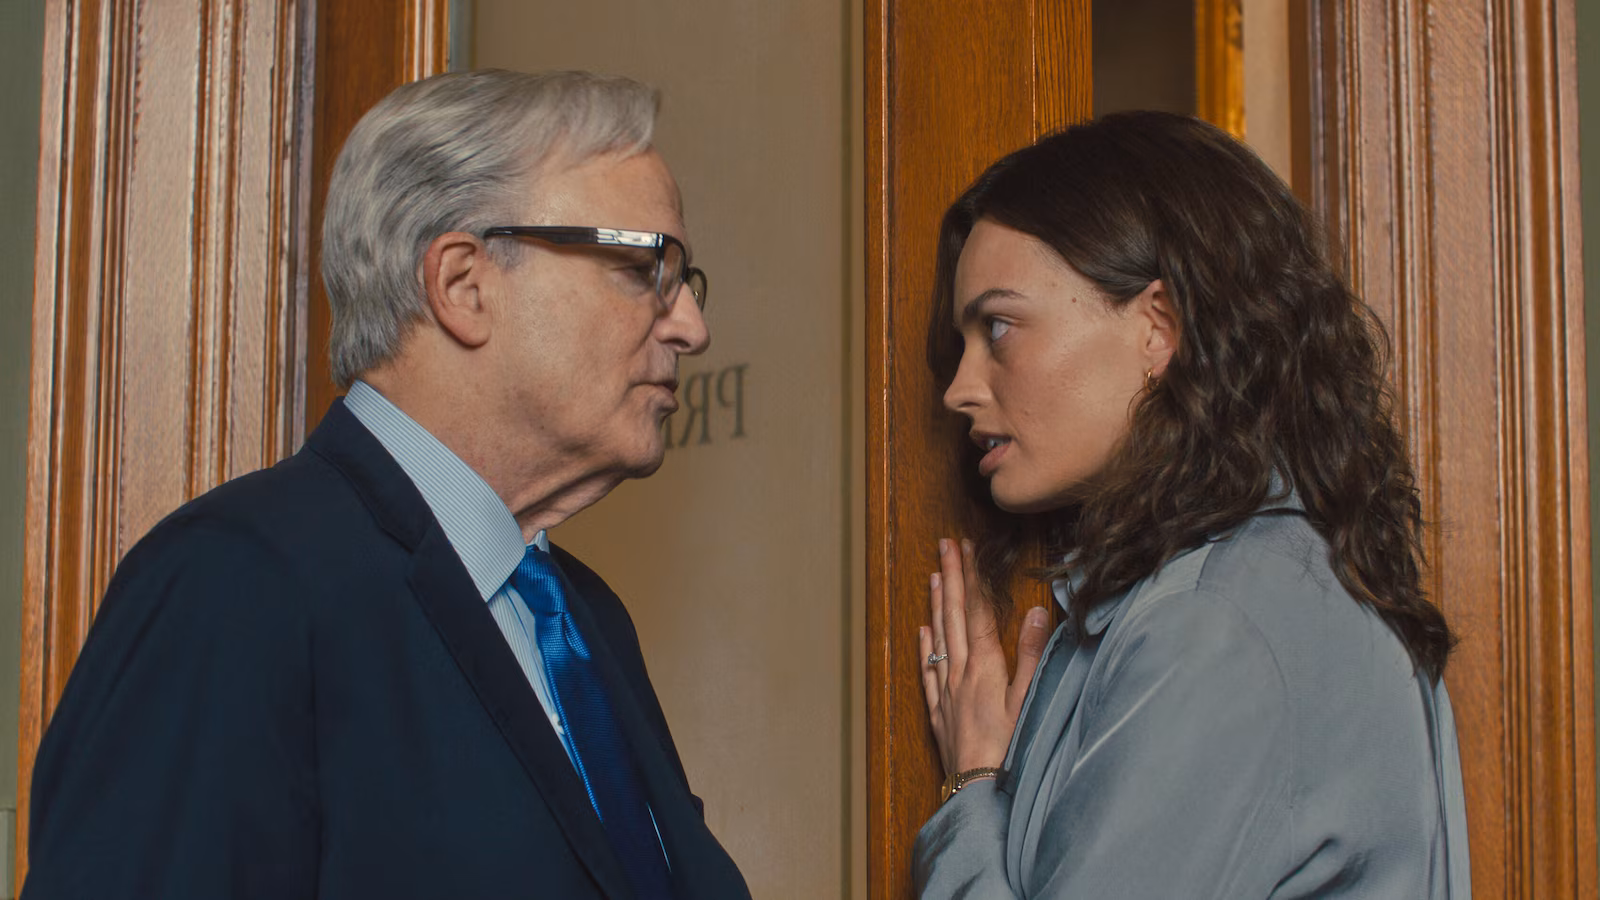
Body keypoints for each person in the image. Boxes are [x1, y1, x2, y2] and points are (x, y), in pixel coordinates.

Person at [23, 69, 751, 900]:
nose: (692, 327)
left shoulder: (585, 622)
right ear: (463, 285)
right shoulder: (231, 583)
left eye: (682, 282)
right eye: (643, 268)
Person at [912, 111, 1471, 898]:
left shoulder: (1220, 624)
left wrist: (971, 795)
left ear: (1158, 327)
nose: (960, 389)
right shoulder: (1259, 585)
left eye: (999, 328)